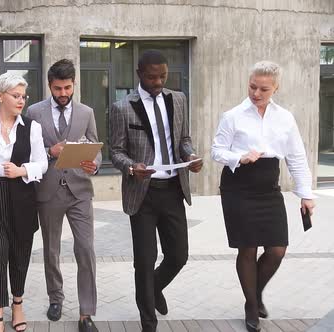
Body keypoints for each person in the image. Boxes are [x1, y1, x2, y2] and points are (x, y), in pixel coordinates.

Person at [211, 60, 315, 332]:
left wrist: (306, 194)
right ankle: (250, 305)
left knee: (277, 250)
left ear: (275, 88)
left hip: (269, 186)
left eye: (264, 89)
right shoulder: (232, 115)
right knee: (248, 248)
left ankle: (255, 293)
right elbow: (217, 150)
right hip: (238, 186)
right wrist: (239, 157)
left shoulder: (285, 118)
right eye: (252, 86)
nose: (256, 93)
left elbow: (296, 157)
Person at [108, 50, 203, 332]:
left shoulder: (179, 99)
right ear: (139, 74)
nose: (159, 81)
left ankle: (152, 289)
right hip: (143, 193)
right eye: (152, 76)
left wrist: (192, 155)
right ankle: (148, 321)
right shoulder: (122, 107)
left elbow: (183, 139)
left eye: (163, 75)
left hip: (174, 188)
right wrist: (130, 167)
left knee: (178, 256)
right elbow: (115, 151)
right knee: (145, 259)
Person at [0, 72, 48, 332]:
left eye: (23, 96)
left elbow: (42, 163)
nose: (21, 101)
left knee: (19, 253)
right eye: (16, 95)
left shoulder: (31, 127)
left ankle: (17, 303)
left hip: (22, 195)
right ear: (0, 96)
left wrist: (22, 170)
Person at [26, 59, 101, 332]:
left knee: (85, 249)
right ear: (49, 85)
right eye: (58, 88)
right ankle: (55, 298)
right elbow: (28, 152)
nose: (63, 93)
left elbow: (95, 146)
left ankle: (86, 312)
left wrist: (94, 162)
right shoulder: (34, 112)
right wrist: (49, 151)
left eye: (68, 87)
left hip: (80, 190)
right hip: (48, 191)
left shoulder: (86, 112)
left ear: (74, 84)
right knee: (51, 250)